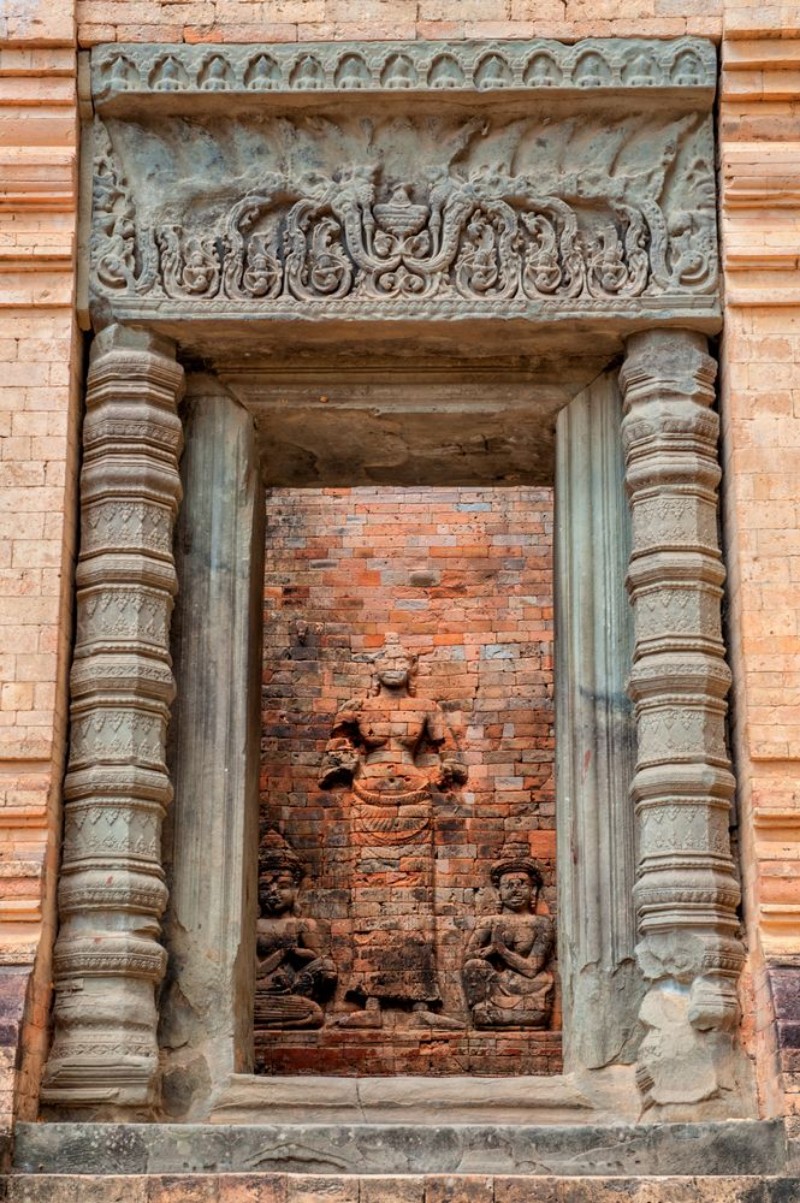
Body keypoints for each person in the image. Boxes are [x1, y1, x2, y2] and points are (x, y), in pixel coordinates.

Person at [319, 635, 466, 1027]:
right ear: (375, 668)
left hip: (414, 798)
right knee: (368, 896)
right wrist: (345, 764)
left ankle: (422, 1004)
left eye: (402, 658)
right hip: (368, 799)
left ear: (411, 668)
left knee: (416, 903)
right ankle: (369, 1003)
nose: (395, 664)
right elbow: (335, 753)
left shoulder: (425, 708)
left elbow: (451, 755)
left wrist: (439, 773)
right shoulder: (359, 708)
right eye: (388, 658)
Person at [254, 831, 337, 1029]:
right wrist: (283, 953)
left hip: (293, 986)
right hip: (263, 988)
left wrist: (296, 953)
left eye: (282, 886)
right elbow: (256, 971)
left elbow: (315, 958)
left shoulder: (304, 925)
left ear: (295, 890)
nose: (273, 893)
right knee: (314, 1014)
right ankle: (257, 1023)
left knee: (327, 968)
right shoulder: (254, 927)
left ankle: (260, 1022)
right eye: (265, 887)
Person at [462, 854, 554, 1029]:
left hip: (529, 987)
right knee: (473, 966)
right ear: (499, 892)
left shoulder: (541, 924)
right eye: (508, 886)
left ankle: (505, 1016)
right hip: (498, 984)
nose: (515, 890)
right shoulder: (490, 922)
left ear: (533, 890)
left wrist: (501, 950)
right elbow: (468, 957)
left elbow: (532, 969)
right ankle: (485, 1012)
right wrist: (489, 951)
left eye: (522, 885)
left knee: (539, 987)